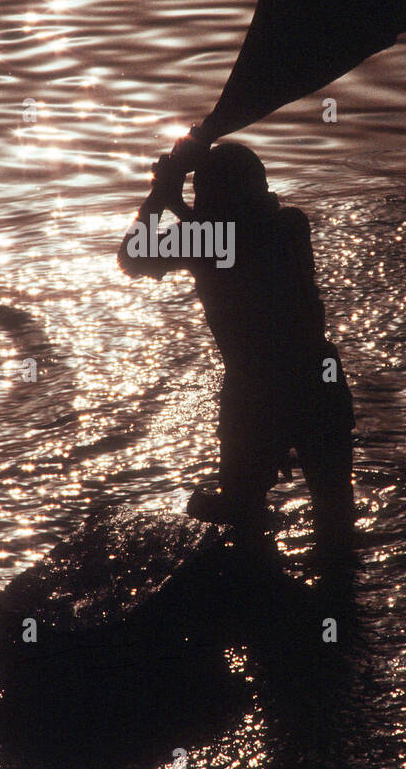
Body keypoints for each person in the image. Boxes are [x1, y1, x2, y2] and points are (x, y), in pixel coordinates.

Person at [118, 139, 356, 552]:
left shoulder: (207, 239)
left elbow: (134, 256)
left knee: (243, 522)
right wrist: (174, 200)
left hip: (254, 392)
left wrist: (162, 196)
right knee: (336, 521)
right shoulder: (290, 227)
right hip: (316, 381)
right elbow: (224, 239)